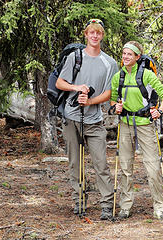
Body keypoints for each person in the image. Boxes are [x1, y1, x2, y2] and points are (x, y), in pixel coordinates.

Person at [56, 19, 118, 220]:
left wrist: (90, 101)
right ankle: (79, 200)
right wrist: (77, 88)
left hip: (94, 121)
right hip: (71, 119)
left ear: (102, 36)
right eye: (91, 32)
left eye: (98, 33)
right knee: (76, 163)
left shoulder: (110, 63)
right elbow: (60, 82)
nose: (94, 36)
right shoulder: (75, 57)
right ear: (86, 34)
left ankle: (107, 205)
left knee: (101, 164)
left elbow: (109, 92)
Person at [110, 41, 163, 220]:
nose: (125, 57)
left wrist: (159, 111)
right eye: (124, 53)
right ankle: (125, 206)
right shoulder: (118, 77)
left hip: (145, 123)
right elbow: (113, 100)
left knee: (152, 167)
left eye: (130, 54)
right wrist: (116, 108)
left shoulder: (147, 75)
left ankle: (160, 207)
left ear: (137, 57)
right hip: (125, 123)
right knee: (125, 167)